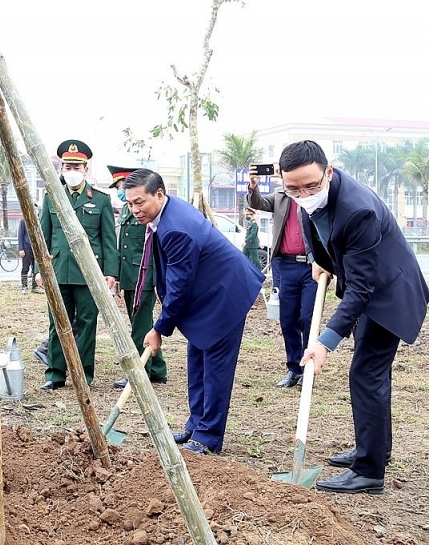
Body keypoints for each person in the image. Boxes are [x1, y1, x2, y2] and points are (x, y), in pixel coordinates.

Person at [279, 140, 429, 494]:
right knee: (371, 375)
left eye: (311, 186)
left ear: (328, 173)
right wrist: (322, 262)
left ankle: (369, 471)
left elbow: (362, 288)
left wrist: (325, 342)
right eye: (293, 188)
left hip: (388, 295)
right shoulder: (305, 196)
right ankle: (376, 450)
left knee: (366, 374)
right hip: (371, 290)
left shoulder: (358, 209)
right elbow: (324, 238)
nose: (303, 194)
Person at [123, 168, 264, 454]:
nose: (135, 210)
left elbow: (178, 287)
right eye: (129, 203)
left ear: (159, 195)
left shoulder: (175, 228)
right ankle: (196, 424)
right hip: (208, 294)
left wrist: (159, 328)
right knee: (197, 361)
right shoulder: (166, 212)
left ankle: (209, 436)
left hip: (225, 296)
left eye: (140, 202)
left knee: (215, 368)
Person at [35, 139, 118, 390]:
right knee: (58, 322)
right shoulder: (52, 198)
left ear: (86, 169)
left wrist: (110, 273)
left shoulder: (101, 200)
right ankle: (56, 373)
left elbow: (108, 239)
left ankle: (84, 375)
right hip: (58, 271)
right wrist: (41, 270)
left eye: (77, 166)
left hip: (88, 273)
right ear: (61, 169)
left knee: (86, 323)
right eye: (67, 166)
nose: (72, 171)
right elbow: (43, 238)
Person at [246, 167, 318, 388]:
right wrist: (253, 186)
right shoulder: (280, 196)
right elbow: (257, 203)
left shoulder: (316, 198)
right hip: (286, 266)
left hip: (311, 267)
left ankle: (309, 368)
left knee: (308, 318)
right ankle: (293, 369)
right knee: (288, 319)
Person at [107, 165, 167, 389]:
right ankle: (158, 368)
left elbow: (152, 248)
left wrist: (151, 279)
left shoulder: (148, 211)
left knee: (140, 326)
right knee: (140, 322)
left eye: (122, 186)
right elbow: (124, 246)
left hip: (145, 275)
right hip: (130, 275)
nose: (121, 192)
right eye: (120, 189)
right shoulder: (125, 210)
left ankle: (139, 372)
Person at [17, 208, 41, 294]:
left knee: (35, 268)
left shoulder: (39, 220)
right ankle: (24, 286)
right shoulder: (23, 221)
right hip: (26, 248)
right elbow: (20, 235)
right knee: (25, 268)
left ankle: (35, 287)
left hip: (37, 248)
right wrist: (21, 249)